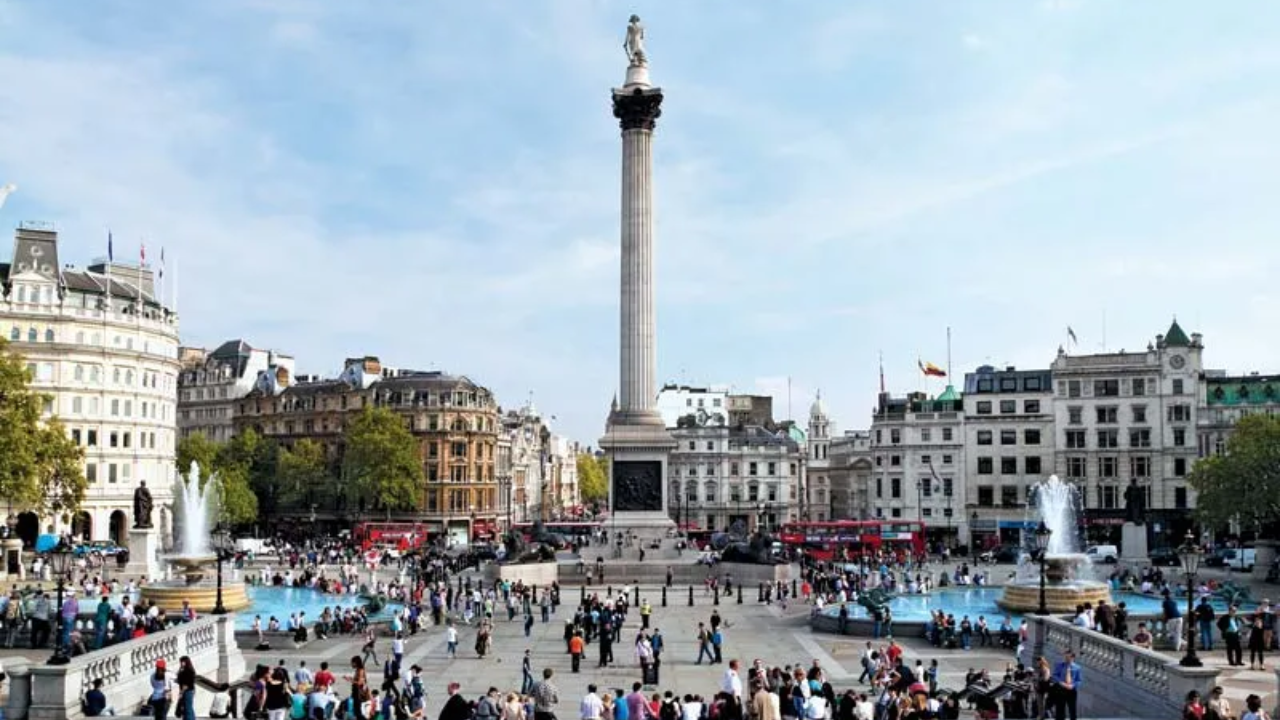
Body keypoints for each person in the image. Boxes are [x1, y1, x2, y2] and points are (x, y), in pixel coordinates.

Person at [1050, 650, 1081, 720]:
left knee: (1072, 709)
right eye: (1065, 657)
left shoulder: (1077, 668)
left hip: (1071, 691)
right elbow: (1054, 675)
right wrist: (1061, 682)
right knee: (1060, 709)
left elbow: (1079, 680)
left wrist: (1073, 685)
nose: (1066, 658)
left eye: (1068, 657)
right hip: (1061, 690)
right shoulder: (1059, 665)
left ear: (1073, 658)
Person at [176, 655, 197, 720]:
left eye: (182, 662)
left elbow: (186, 684)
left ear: (186, 662)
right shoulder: (186, 670)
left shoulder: (188, 671)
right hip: (189, 690)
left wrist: (181, 693)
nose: (181, 663)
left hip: (187, 691)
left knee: (187, 709)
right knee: (189, 708)